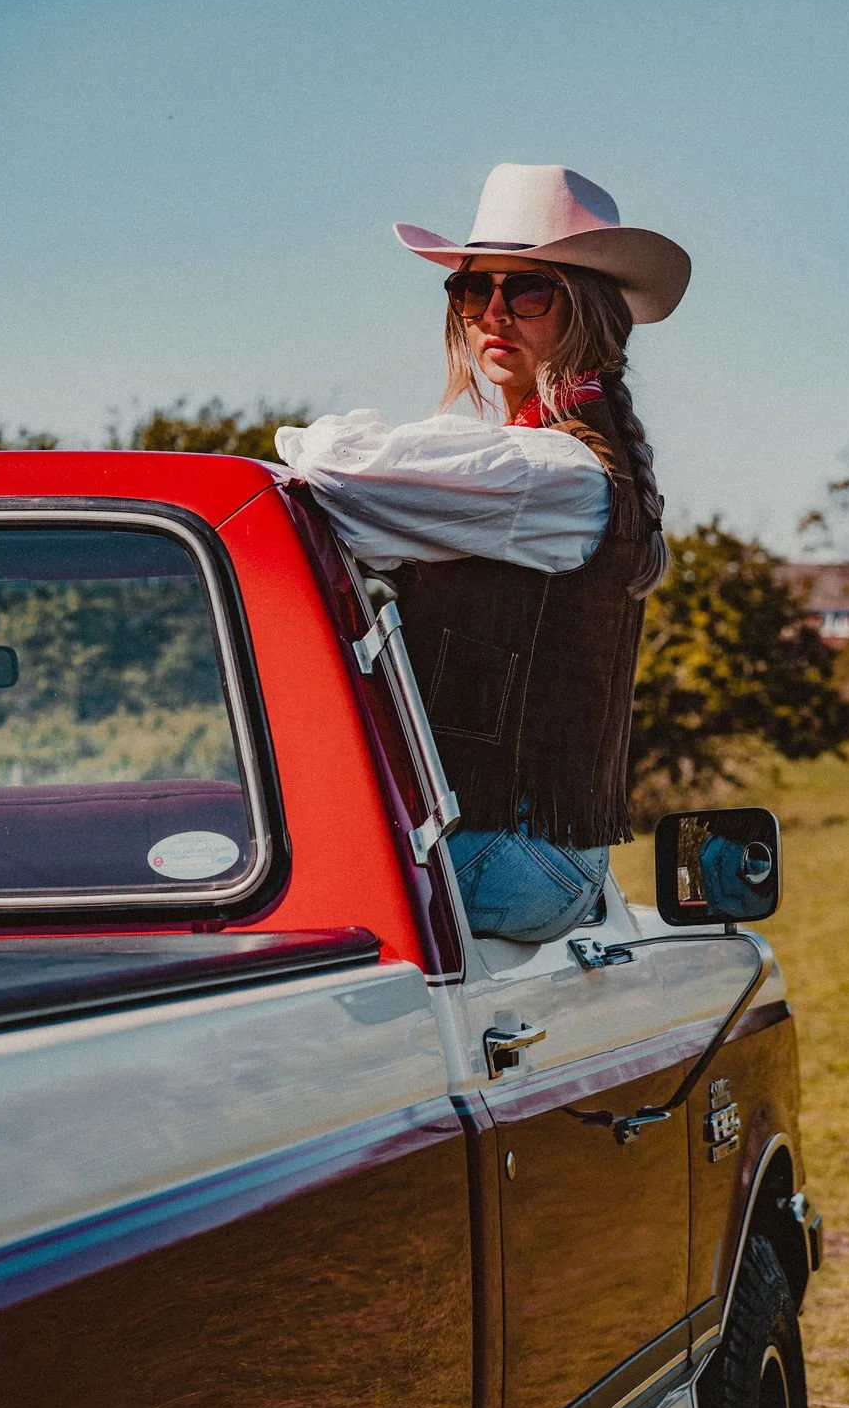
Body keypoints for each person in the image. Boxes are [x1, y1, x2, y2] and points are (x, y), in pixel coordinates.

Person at [276, 163, 690, 942]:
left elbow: (330, 469)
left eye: (528, 291)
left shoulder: (550, 472)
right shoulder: (541, 460)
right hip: (529, 851)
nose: (494, 312)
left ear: (586, 311)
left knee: (248, 889)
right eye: (473, 291)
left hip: (514, 849)